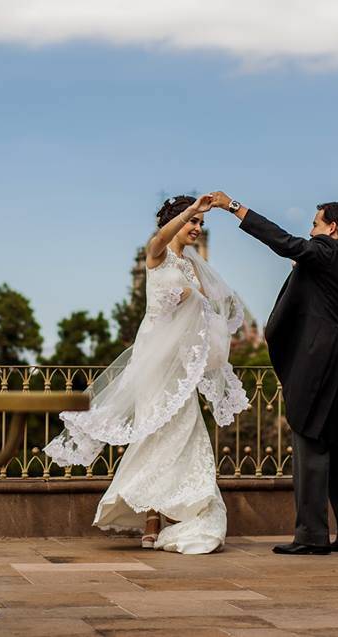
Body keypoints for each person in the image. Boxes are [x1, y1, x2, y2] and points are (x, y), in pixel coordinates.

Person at [44, 194, 248, 554]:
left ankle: (176, 515)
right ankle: (152, 518)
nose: (197, 229)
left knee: (184, 437)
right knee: (153, 437)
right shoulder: (158, 255)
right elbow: (159, 241)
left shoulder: (192, 266)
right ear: (175, 221)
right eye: (193, 223)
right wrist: (189, 209)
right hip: (153, 366)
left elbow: (206, 314)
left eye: (201, 224)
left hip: (181, 368)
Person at [210, 192, 338, 555]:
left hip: (320, 365)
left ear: (331, 228)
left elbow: (283, 242)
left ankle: (312, 536)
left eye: (315, 225)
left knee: (310, 442)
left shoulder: (327, 252)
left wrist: (234, 207)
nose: (310, 232)